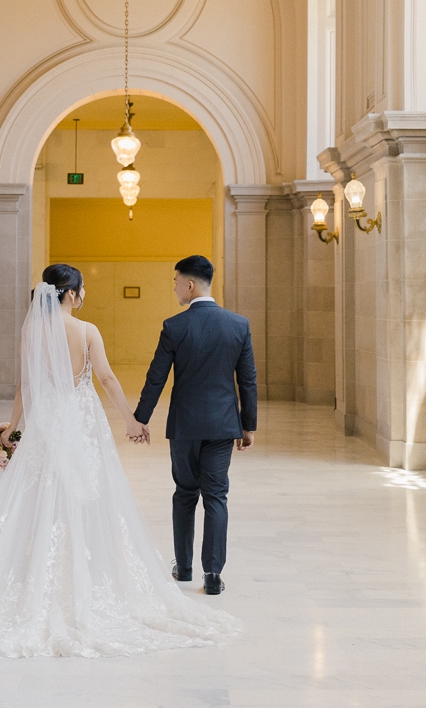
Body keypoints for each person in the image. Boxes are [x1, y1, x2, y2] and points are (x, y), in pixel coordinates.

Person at [0, 263, 240, 657]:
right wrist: (131, 421)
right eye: (81, 291)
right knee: (89, 494)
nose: (83, 297)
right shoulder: (87, 331)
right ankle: (87, 574)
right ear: (70, 294)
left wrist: (10, 429)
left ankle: (36, 572)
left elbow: (25, 384)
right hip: (82, 424)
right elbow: (106, 379)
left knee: (39, 495)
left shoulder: (32, 331)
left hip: (47, 426)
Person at [133, 255, 258, 597]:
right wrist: (248, 426)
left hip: (185, 426)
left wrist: (140, 419)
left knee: (185, 493)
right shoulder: (238, 324)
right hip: (222, 425)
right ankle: (213, 574)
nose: (174, 289)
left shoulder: (175, 326)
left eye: (176, 282)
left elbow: (156, 377)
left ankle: (184, 566)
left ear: (190, 285)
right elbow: (247, 380)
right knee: (216, 495)